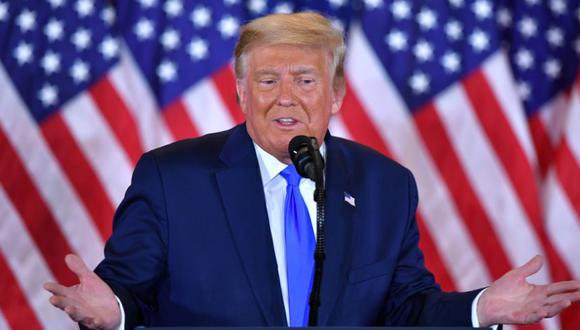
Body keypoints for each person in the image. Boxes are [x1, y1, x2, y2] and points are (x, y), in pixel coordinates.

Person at [44, 12, 580, 329]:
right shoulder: (172, 176)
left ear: (337, 95)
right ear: (240, 91)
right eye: (267, 80)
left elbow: (406, 307)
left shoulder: (385, 185)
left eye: (304, 80)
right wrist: (109, 311)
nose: (286, 97)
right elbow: (128, 291)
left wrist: (484, 308)